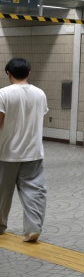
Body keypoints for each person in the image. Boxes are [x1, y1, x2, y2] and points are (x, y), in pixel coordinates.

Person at [0, 58, 48, 242]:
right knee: (35, 192)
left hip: (6, 153)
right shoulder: (40, 94)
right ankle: (32, 229)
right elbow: (39, 119)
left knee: (2, 193)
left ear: (8, 73)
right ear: (28, 73)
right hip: (34, 152)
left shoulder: (3, 94)